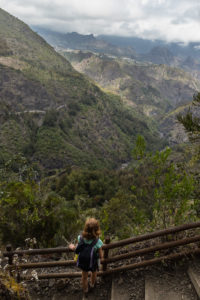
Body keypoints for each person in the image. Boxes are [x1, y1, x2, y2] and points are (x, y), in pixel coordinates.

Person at [69, 218, 103, 297]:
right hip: (93, 262)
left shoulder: (80, 238)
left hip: (83, 261)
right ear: (97, 230)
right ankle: (92, 284)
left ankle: (85, 290)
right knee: (94, 273)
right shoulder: (98, 242)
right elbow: (101, 256)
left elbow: (77, 247)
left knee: (84, 276)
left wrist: (72, 247)